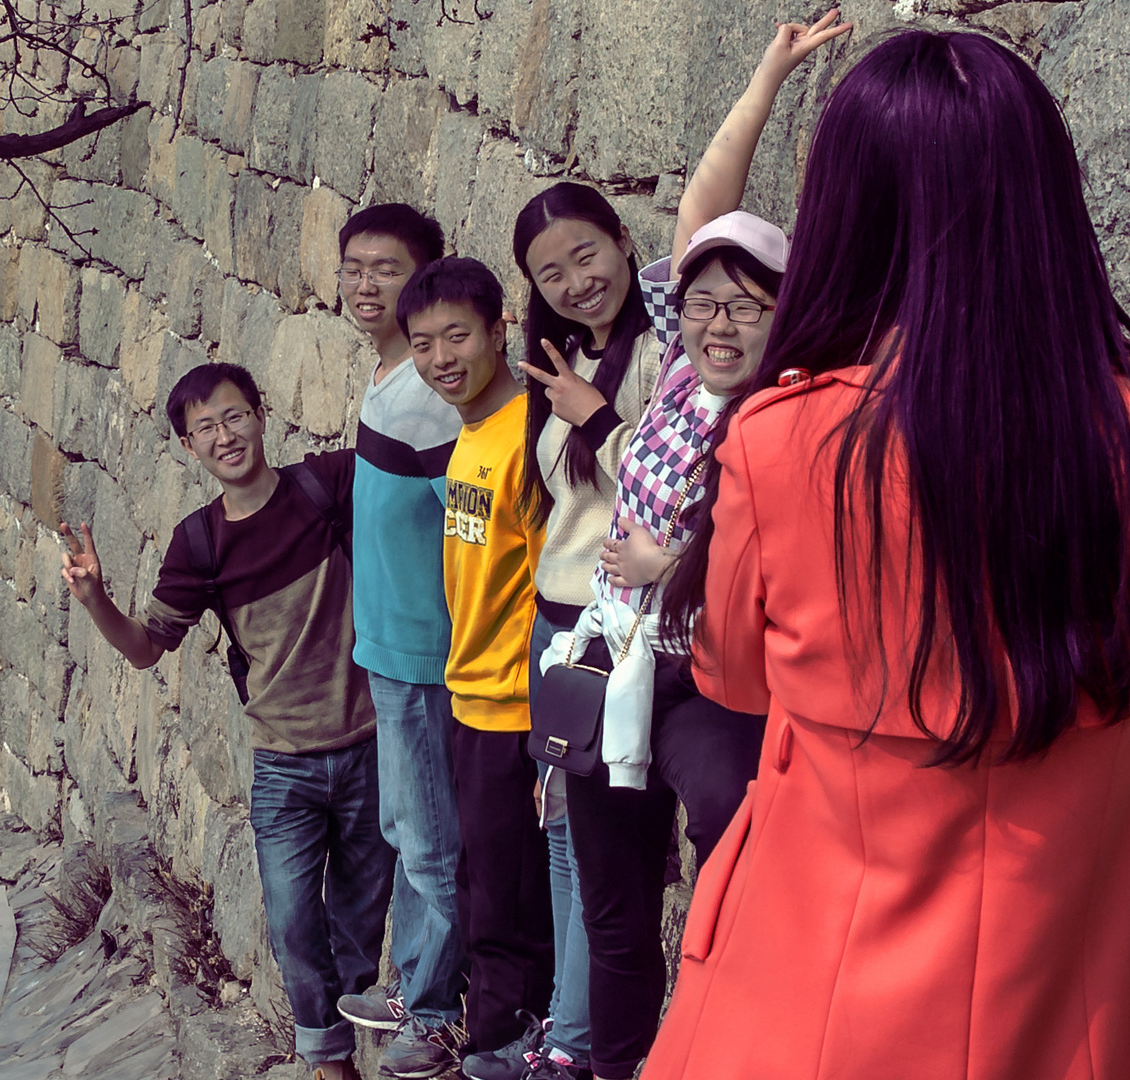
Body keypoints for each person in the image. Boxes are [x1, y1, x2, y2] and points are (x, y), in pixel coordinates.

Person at [644, 30, 1130, 1080]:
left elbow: (733, 676)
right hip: (1090, 968)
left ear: (848, 215)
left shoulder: (783, 438)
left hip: (813, 984)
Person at [537, 17, 848, 1080]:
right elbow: (705, 205)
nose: (717, 322)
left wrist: (679, 566)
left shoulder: (786, 404)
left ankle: (734, 1046)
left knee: (736, 833)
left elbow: (790, 549)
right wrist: (767, 74)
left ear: (784, 317)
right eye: (703, 302)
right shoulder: (677, 373)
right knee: (617, 912)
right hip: (613, 656)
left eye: (745, 306)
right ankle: (621, 1065)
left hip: (710, 677)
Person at [59, 363, 391, 1080]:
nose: (224, 435)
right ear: (188, 446)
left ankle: (359, 1043)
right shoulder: (199, 544)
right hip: (282, 762)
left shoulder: (327, 485)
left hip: (369, 743)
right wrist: (96, 602)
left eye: (233, 416)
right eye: (205, 427)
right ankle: (330, 1065)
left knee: (361, 923)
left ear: (262, 416)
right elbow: (147, 650)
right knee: (294, 923)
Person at [484, 180, 667, 1080]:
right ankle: (569, 1029)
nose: (574, 281)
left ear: (625, 242)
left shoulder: (656, 357)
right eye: (549, 272)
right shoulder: (555, 365)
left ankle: (578, 1043)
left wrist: (598, 416)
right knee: (560, 836)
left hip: (621, 632)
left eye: (586, 255)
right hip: (555, 628)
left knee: (604, 859)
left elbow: (678, 484)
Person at [399, 257, 555, 1074]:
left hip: (517, 709)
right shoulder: (470, 435)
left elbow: (555, 580)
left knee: (508, 896)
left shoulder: (528, 435)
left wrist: (545, 723)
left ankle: (505, 1041)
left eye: (458, 336)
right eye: (422, 344)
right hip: (471, 699)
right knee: (478, 881)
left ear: (500, 331)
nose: (440, 359)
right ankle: (493, 1032)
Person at [328, 204, 470, 1080]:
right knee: (402, 822)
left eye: (387, 269)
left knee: (429, 837)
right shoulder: (390, 377)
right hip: (386, 648)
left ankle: (437, 1008)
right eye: (354, 266)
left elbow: (468, 529)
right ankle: (415, 982)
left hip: (427, 651)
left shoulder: (430, 391)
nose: (365, 283)